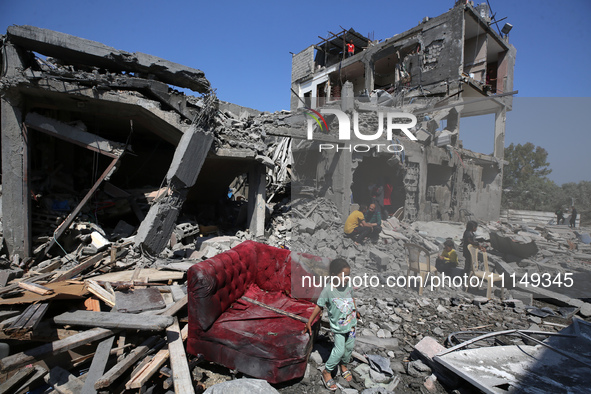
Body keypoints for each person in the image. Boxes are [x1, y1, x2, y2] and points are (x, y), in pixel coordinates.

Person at [304, 258, 360, 391]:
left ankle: (344, 365)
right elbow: (319, 306)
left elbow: (352, 297)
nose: (347, 278)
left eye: (348, 275)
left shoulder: (348, 285)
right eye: (344, 275)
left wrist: (356, 310)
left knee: (349, 347)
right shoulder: (328, 290)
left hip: (351, 325)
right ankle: (327, 371)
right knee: (339, 350)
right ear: (334, 275)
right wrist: (309, 321)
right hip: (339, 328)